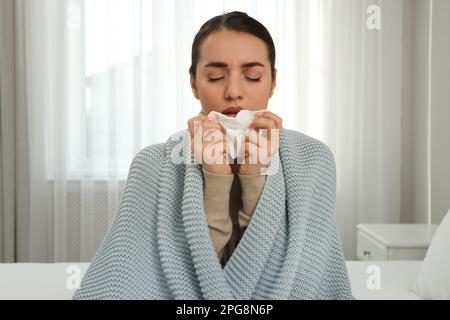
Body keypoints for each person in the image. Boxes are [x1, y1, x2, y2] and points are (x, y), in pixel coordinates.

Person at [73, 11, 353, 300]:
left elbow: (291, 282)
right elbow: (158, 281)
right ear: (194, 83)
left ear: (272, 82)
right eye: (216, 76)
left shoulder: (313, 161)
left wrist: (255, 176)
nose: (233, 92)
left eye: (253, 76)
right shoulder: (152, 165)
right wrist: (216, 178)